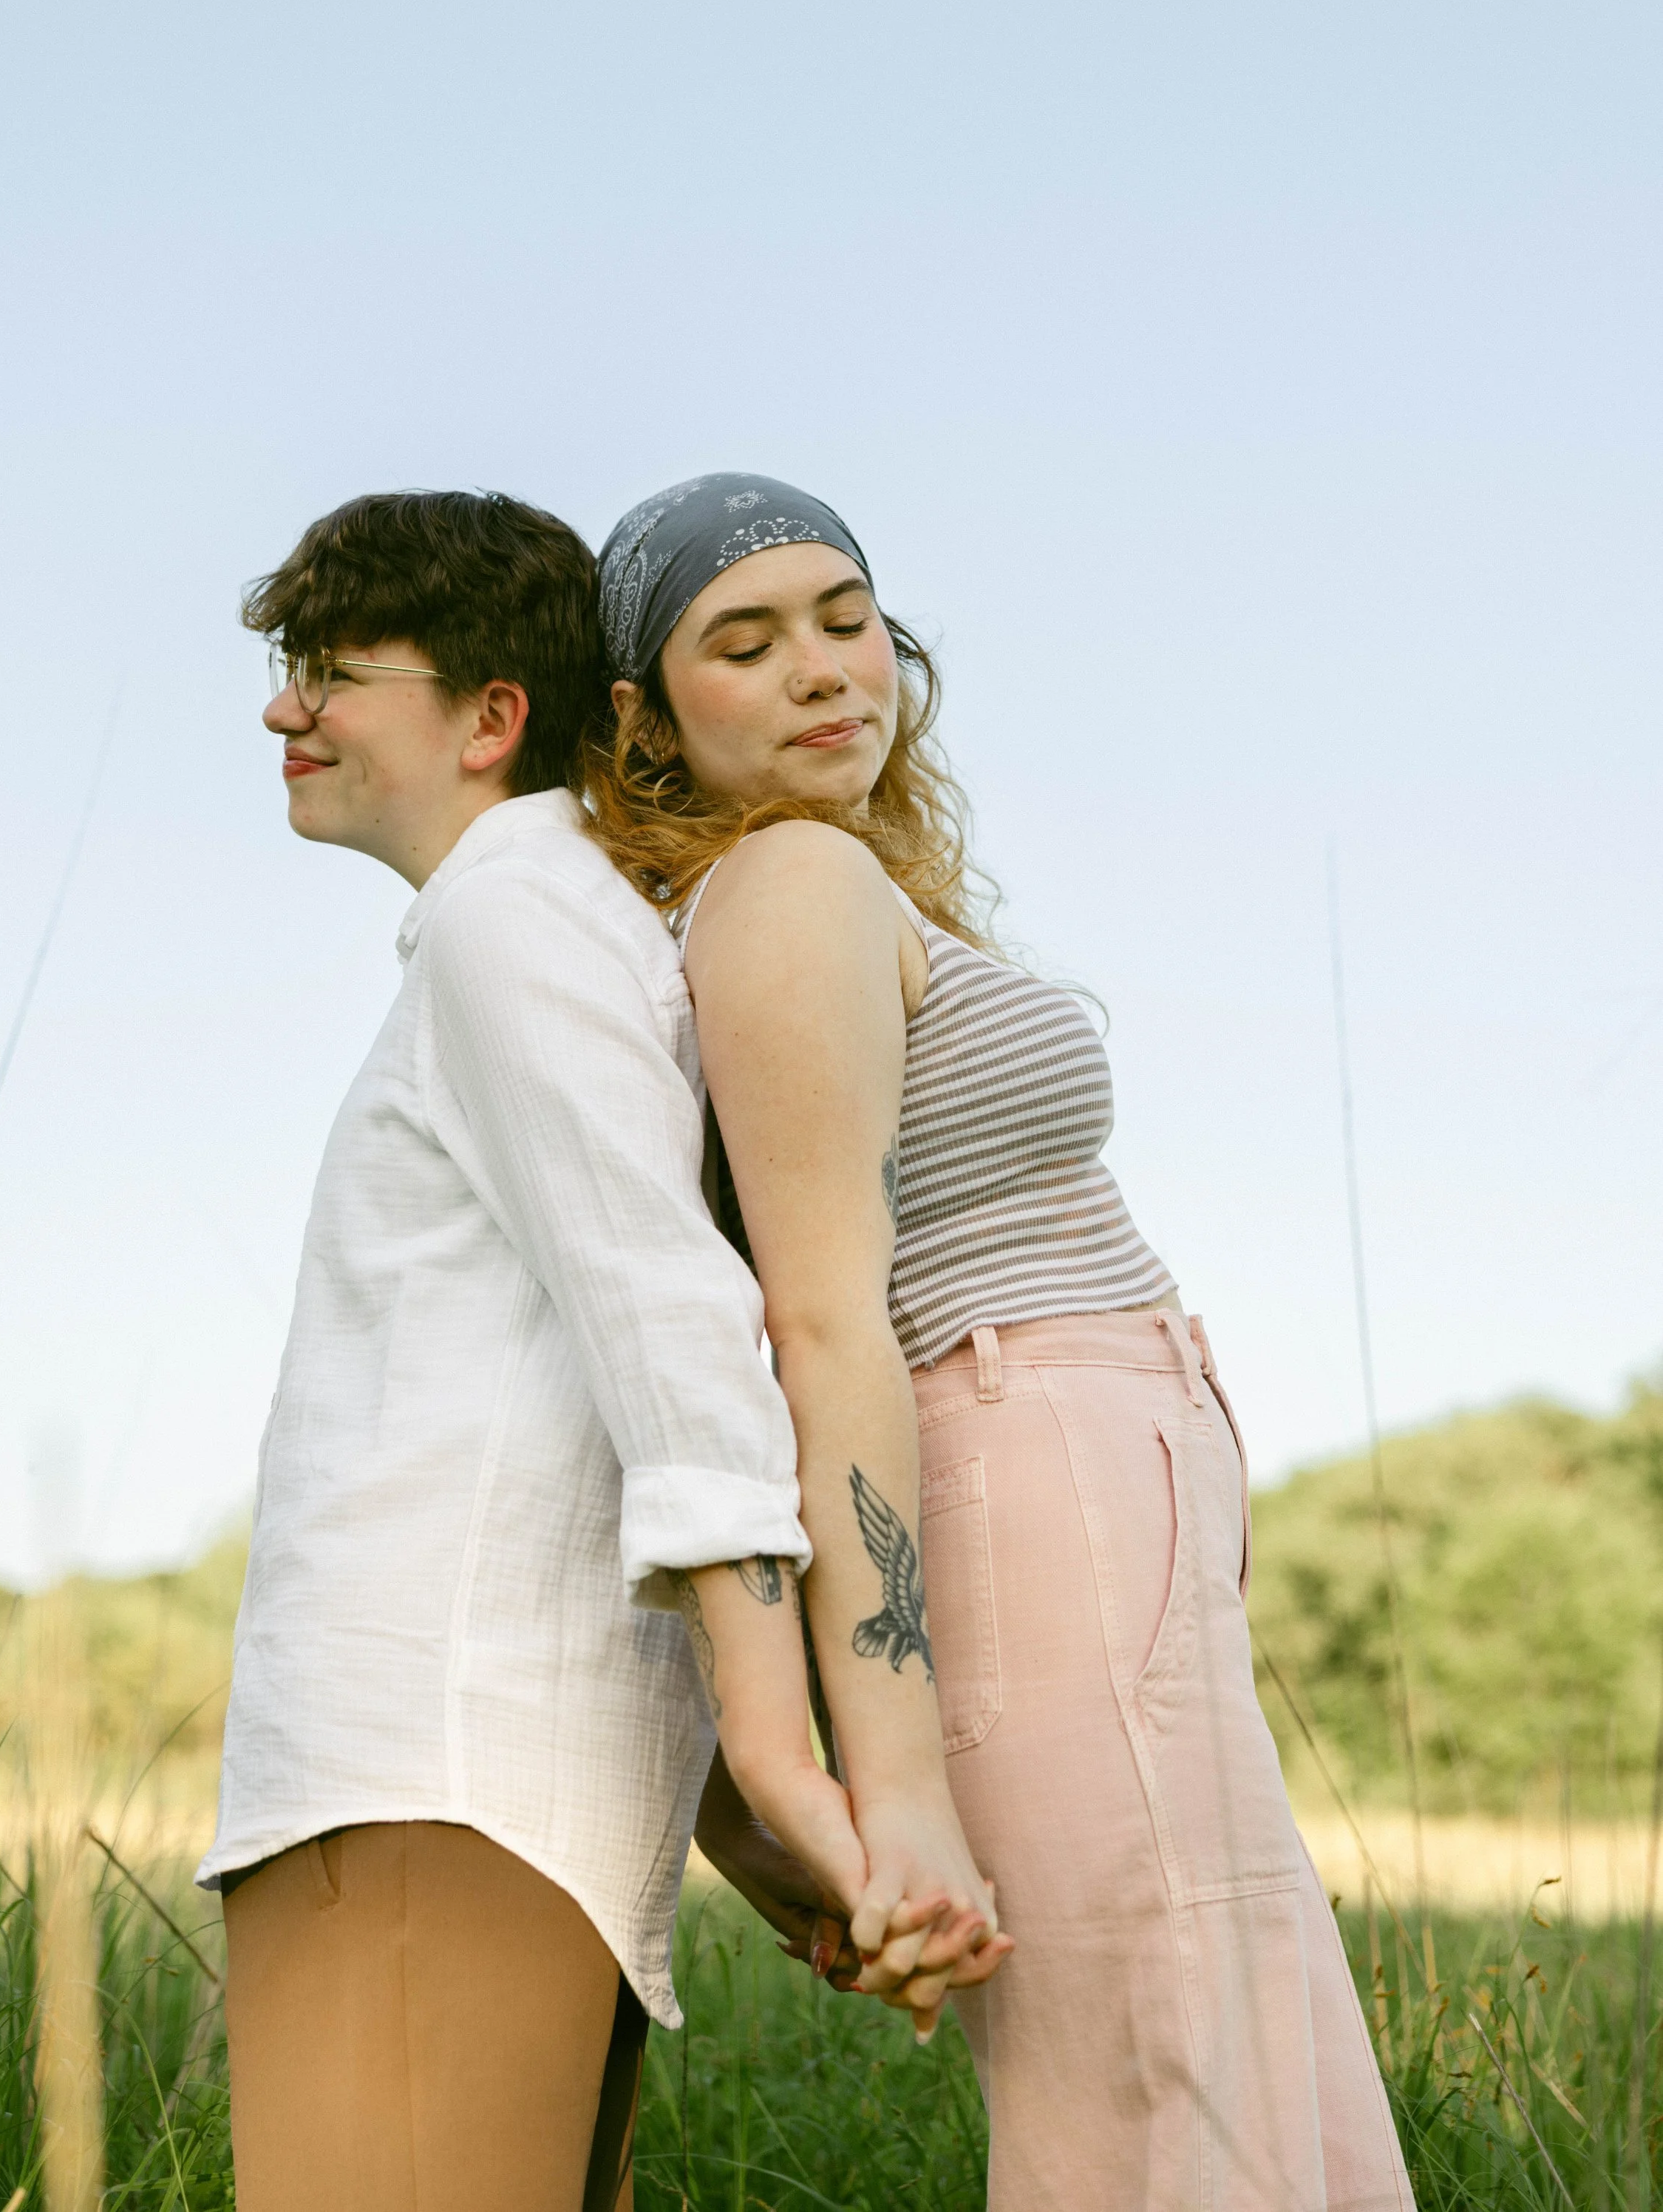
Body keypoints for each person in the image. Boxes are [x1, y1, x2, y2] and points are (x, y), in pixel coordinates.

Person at [586, 472, 1417, 2212]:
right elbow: (816, 1322)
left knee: (1224, 2026)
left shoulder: (825, 887)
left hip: (1085, 1481)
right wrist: (887, 1780)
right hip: (1026, 1470)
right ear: (644, 722)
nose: (823, 667)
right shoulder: (792, 884)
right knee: (1156, 2057)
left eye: (845, 617)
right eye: (742, 643)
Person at [200, 487, 959, 2212]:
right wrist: (750, 1828)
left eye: (329, 669)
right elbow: (600, 1400)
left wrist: (778, 1762)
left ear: (488, 718)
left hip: (419, 1765)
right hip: (511, 1784)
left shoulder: (510, 913)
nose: (283, 708)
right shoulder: (562, 922)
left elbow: (675, 1324)